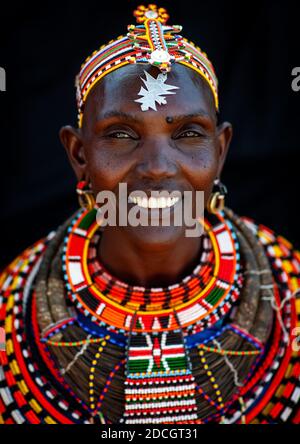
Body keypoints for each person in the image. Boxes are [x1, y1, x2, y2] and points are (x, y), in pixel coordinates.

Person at [0, 4, 299, 425]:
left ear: (221, 149)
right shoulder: (11, 310)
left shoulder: (292, 293)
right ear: (79, 155)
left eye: (188, 133)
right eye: (121, 135)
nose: (157, 166)